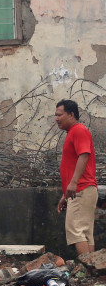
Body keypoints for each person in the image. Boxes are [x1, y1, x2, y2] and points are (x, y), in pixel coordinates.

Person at [54, 99, 97, 254]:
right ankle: (92, 266)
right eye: (55, 115)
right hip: (81, 189)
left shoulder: (78, 130)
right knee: (85, 232)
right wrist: (65, 194)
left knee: (75, 229)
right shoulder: (73, 132)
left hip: (81, 188)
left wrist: (73, 183)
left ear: (71, 115)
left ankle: (86, 266)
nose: (56, 119)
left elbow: (84, 155)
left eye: (59, 115)